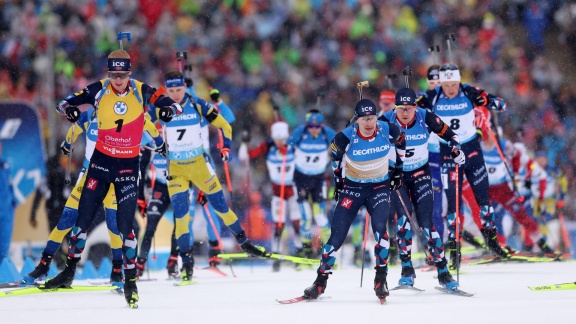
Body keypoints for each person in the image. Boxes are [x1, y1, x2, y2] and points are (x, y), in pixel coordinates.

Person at [47, 49, 178, 308]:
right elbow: (63, 103)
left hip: (128, 167)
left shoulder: (141, 89)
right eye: (114, 74)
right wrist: (70, 111)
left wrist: (169, 111)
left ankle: (130, 281)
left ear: (129, 73)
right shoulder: (98, 89)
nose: (118, 79)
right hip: (100, 164)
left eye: (122, 74)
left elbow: (168, 102)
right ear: (109, 73)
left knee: (125, 226)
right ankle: (69, 271)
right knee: (81, 221)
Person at [148, 70, 269, 282]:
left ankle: (244, 243)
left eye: (179, 89)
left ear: (185, 88)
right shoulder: (160, 108)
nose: (175, 94)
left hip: (200, 167)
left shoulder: (197, 105)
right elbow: (140, 124)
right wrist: (155, 141)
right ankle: (187, 263)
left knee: (221, 207)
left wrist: (226, 147)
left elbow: (224, 124)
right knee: (182, 218)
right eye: (171, 90)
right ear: (166, 90)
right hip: (176, 171)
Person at [22, 108, 163, 285]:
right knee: (65, 221)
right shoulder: (90, 115)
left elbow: (149, 128)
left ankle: (117, 272)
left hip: (113, 179)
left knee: (114, 225)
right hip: (89, 177)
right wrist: (67, 143)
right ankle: (44, 266)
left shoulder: (127, 115)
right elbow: (73, 130)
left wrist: (156, 140)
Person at [302, 98, 406, 301]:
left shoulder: (387, 129)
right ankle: (320, 283)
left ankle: (380, 279)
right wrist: (339, 183)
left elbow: (401, 142)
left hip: (378, 188)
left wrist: (397, 171)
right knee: (336, 238)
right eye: (365, 119)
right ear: (356, 120)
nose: (369, 123)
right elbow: (334, 159)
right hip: (354, 189)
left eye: (372, 118)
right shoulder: (344, 137)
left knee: (380, 232)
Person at [417, 63, 510, 263]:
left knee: (484, 201)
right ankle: (454, 249)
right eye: (446, 85)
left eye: (453, 84)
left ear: (459, 81)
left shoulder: (468, 91)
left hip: (472, 153)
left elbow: (498, 103)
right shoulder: (432, 96)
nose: (450, 89)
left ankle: (493, 242)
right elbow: (407, 109)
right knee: (453, 204)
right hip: (448, 154)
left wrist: (491, 101)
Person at [380, 88, 462, 290]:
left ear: (415, 107)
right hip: (397, 176)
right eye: (401, 109)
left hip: (420, 173)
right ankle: (407, 268)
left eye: (409, 108)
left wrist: (456, 150)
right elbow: (360, 135)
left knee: (427, 224)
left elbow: (451, 135)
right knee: (403, 222)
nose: (405, 113)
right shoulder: (385, 120)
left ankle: (443, 271)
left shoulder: (426, 117)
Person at [240, 121, 303, 271]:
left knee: (296, 222)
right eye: (277, 139)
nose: (280, 142)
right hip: (277, 191)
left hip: (293, 189)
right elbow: (245, 157)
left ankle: (300, 251)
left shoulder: (293, 146)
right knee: (279, 224)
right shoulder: (267, 146)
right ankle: (276, 255)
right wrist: (244, 144)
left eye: (283, 139)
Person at [288, 109, 336, 259]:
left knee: (320, 217)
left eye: (317, 126)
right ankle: (306, 250)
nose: (314, 129)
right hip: (301, 179)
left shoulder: (326, 133)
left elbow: (339, 143)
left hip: (318, 179)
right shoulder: (300, 133)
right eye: (311, 126)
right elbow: (286, 146)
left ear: (321, 125)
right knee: (306, 217)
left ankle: (327, 249)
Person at [0, 142, 16, 265]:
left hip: (6, 211)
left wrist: (13, 201)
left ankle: (2, 272)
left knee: (4, 245)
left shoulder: (5, 164)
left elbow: (9, 185)